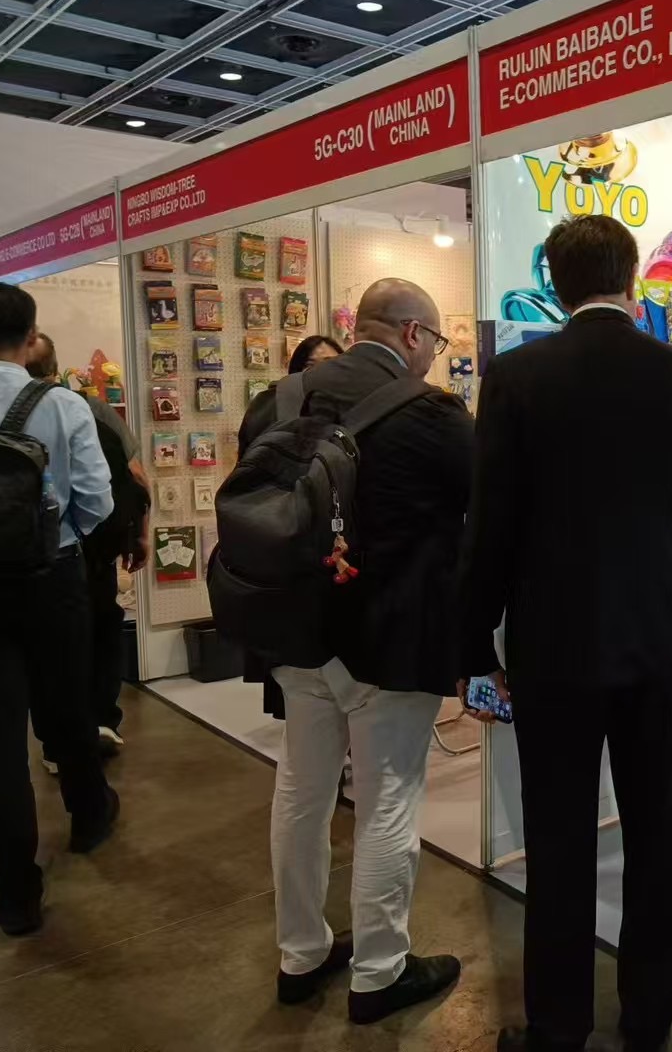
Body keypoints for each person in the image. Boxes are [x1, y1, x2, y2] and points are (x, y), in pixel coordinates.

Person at [457, 215, 672, 1052]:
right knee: (656, 838)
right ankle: (648, 1020)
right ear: (633, 275)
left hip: (553, 647)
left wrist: (475, 644)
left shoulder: (515, 376)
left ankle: (558, 1027)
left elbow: (490, 523)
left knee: (559, 842)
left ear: (554, 282)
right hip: (657, 646)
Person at [238, 279, 473, 1026]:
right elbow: (482, 510)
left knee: (300, 793)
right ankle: (379, 971)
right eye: (434, 343)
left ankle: (300, 955)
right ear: (411, 334)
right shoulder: (433, 414)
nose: (433, 357)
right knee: (387, 799)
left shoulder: (278, 400)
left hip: (294, 633)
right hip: (392, 640)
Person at [0, 283, 120, 937]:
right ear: (32, 338)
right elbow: (97, 499)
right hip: (52, 580)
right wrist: (59, 539)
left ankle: (17, 890)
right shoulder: (63, 403)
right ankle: (89, 816)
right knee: (67, 706)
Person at [26, 332, 150, 764]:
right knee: (102, 628)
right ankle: (102, 721)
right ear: (55, 366)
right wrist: (138, 534)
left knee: (42, 647)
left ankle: (53, 744)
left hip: (20, 552)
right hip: (92, 544)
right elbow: (136, 477)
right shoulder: (89, 408)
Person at [256, 332, 346, 723]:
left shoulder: (346, 411)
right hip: (287, 550)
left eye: (332, 364)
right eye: (313, 365)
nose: (323, 373)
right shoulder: (271, 407)